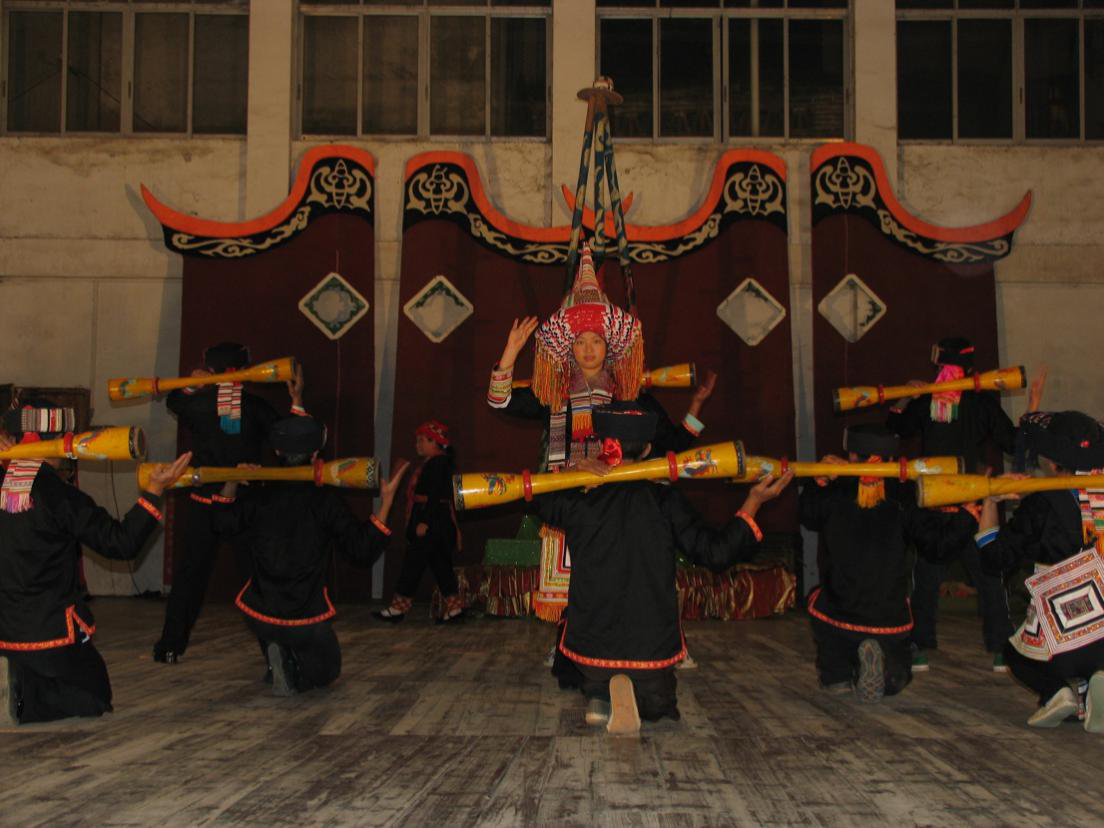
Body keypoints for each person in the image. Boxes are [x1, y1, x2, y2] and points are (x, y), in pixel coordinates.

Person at [488, 241, 716, 636]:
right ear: (570, 348)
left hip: (618, 503)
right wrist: (510, 353)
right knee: (572, 592)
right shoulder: (553, 395)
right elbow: (500, 401)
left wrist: (696, 405)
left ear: (608, 346)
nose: (588, 349)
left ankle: (632, 643)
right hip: (566, 501)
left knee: (619, 581)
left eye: (595, 340)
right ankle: (570, 647)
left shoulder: (629, 396)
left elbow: (672, 444)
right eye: (580, 341)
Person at [535, 402, 793, 733]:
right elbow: (715, 553)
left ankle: (600, 692)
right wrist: (753, 500)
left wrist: (574, 472)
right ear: (646, 450)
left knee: (591, 669)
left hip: (592, 645)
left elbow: (540, 497)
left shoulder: (580, 501)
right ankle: (641, 695)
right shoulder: (666, 501)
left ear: (603, 448)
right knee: (660, 706)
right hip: (651, 647)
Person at [0, 399, 190, 725]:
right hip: (47, 634)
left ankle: (17, 676)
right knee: (95, 695)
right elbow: (121, 543)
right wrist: (154, 490)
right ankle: (22, 695)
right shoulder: (60, 495)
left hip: (4, 632)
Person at [211, 416, 409, 696]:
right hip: (304, 620)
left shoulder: (259, 494)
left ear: (277, 451)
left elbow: (222, 523)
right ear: (316, 454)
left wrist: (230, 482)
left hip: (259, 615)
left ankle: (278, 656)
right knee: (327, 673)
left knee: (274, 630)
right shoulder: (325, 500)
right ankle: (291, 668)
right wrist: (387, 501)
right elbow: (362, 550)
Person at [887, 337, 1043, 672]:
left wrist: (1031, 411)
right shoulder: (942, 400)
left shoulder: (970, 401)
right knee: (938, 577)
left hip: (963, 501)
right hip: (944, 500)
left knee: (977, 575)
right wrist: (907, 394)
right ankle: (928, 643)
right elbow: (898, 427)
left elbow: (1011, 442)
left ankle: (994, 646)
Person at [799, 424, 978, 703]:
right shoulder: (904, 493)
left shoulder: (836, 487)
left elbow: (807, 515)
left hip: (837, 613)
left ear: (852, 455)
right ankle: (881, 668)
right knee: (897, 675)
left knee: (822, 616)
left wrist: (817, 480)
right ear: (893, 458)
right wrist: (968, 516)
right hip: (888, 619)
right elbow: (937, 547)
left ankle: (839, 673)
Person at [153, 342, 307, 664]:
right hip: (242, 504)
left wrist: (191, 385)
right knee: (256, 579)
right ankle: (275, 652)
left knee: (191, 576)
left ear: (210, 368)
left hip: (211, 501)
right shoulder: (254, 406)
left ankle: (169, 647)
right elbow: (289, 441)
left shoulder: (199, 405)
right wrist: (296, 400)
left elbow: (174, 401)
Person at [975, 410, 1104, 732]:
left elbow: (995, 557)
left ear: (1052, 460)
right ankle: (1095, 679)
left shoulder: (1043, 503)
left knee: (1015, 653)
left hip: (1064, 643)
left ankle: (1056, 692)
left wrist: (990, 501)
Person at [373, 420, 463, 623]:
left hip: (432, 521)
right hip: (436, 520)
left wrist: (425, 522)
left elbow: (435, 494)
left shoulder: (439, 463)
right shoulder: (436, 463)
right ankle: (454, 608)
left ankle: (398, 608)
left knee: (414, 563)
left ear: (434, 442)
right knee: (440, 563)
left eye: (421, 440)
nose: (417, 445)